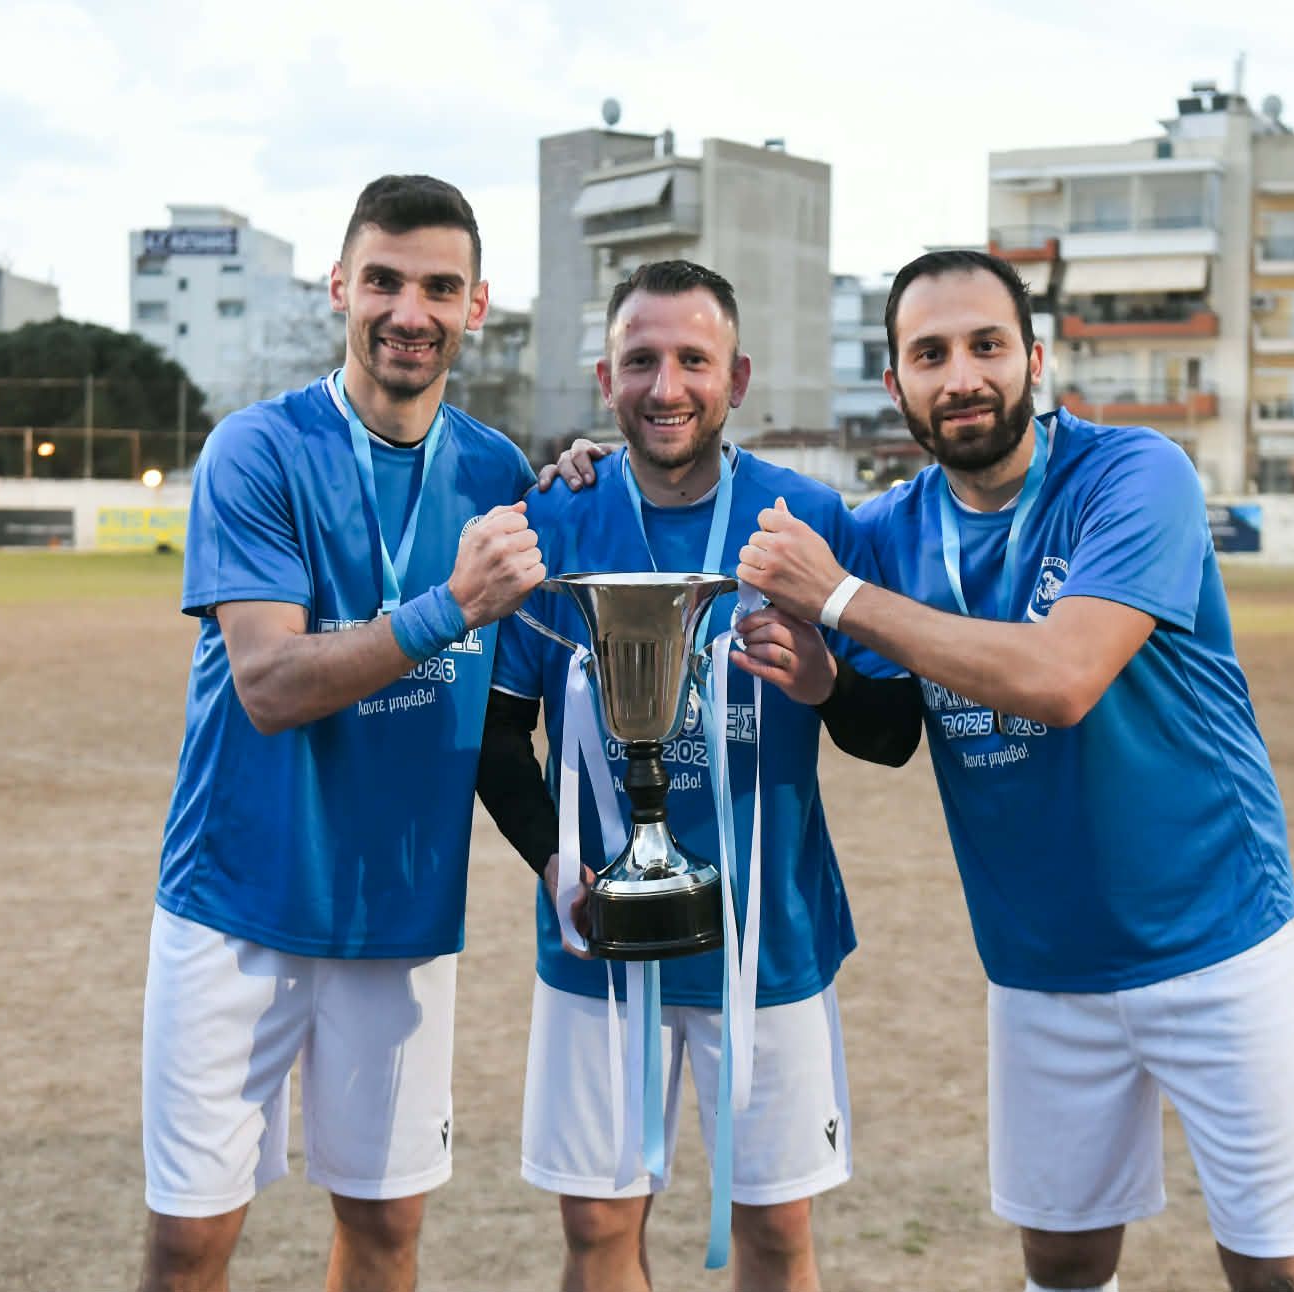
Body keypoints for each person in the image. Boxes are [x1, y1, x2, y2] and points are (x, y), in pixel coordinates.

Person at [733, 249, 1294, 1292]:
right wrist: (605, 461)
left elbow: (1060, 678)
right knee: (1058, 1271)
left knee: (1279, 1273)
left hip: (1217, 942)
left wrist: (840, 600)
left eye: (984, 345)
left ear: (1033, 359)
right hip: (1039, 968)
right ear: (895, 385)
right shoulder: (884, 530)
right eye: (929, 353)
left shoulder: (1132, 473)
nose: (959, 374)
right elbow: (877, 716)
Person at [478, 260, 919, 1292]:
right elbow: (501, 740)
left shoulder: (806, 516)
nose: (665, 385)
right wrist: (558, 865)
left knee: (774, 1238)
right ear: (604, 377)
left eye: (691, 359)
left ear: (737, 376)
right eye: (640, 360)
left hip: (768, 941)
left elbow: (890, 729)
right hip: (597, 938)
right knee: (595, 1231)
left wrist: (821, 681)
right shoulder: (556, 518)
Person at [139, 174, 544, 1292]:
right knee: (188, 1241)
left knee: (383, 1234)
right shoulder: (255, 449)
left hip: (397, 918)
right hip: (237, 907)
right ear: (338, 287)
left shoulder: (497, 474)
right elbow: (267, 681)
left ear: (477, 305)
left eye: (438, 286)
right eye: (383, 279)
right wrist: (444, 607)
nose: (408, 309)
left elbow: (519, 707)